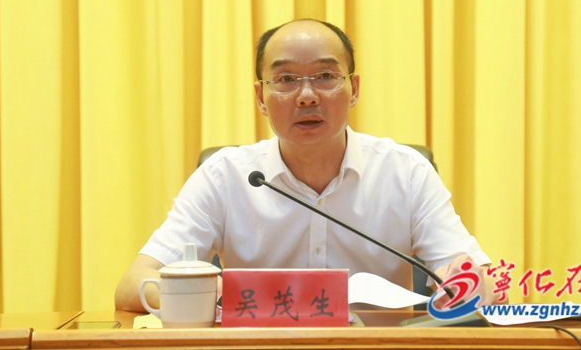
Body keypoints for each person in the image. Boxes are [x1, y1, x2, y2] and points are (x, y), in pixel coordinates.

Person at [115, 18, 499, 312]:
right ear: (261, 97)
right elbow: (133, 285)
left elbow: (482, 283)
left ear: (354, 89)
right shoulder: (225, 176)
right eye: (285, 79)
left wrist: (467, 285)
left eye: (326, 76)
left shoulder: (406, 173)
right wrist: (203, 292)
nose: (307, 96)